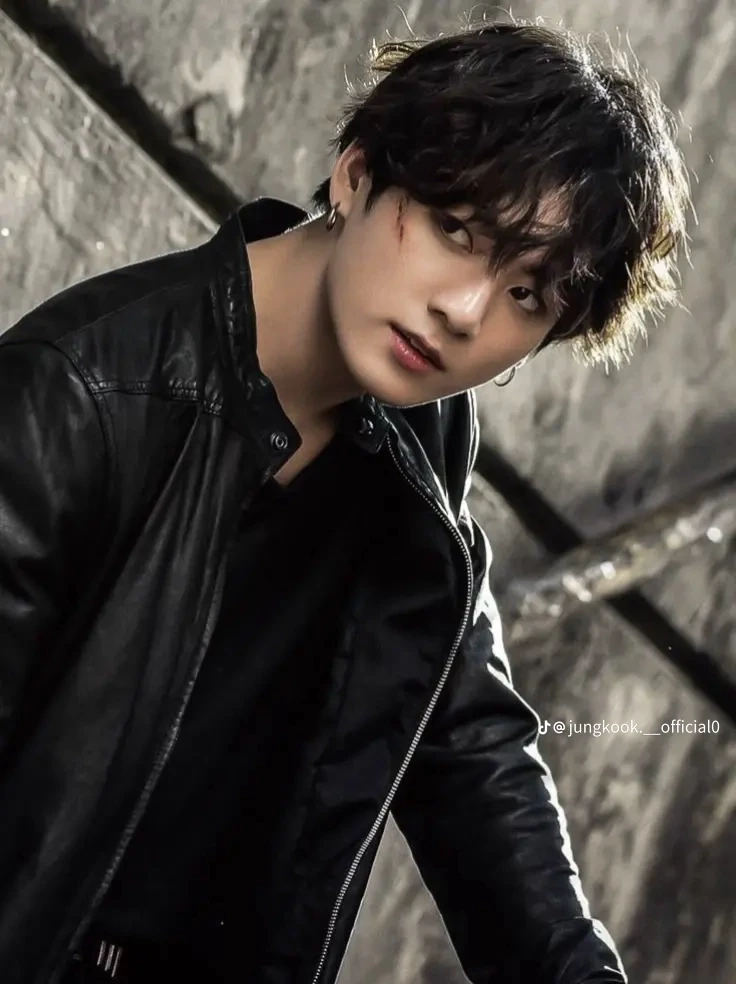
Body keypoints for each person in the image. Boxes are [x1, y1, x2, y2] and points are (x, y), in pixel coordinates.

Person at [0, 15, 690, 984]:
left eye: (528, 295)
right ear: (357, 174)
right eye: (456, 230)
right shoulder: (80, 397)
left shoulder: (421, 440)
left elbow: (469, 743)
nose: (465, 311)